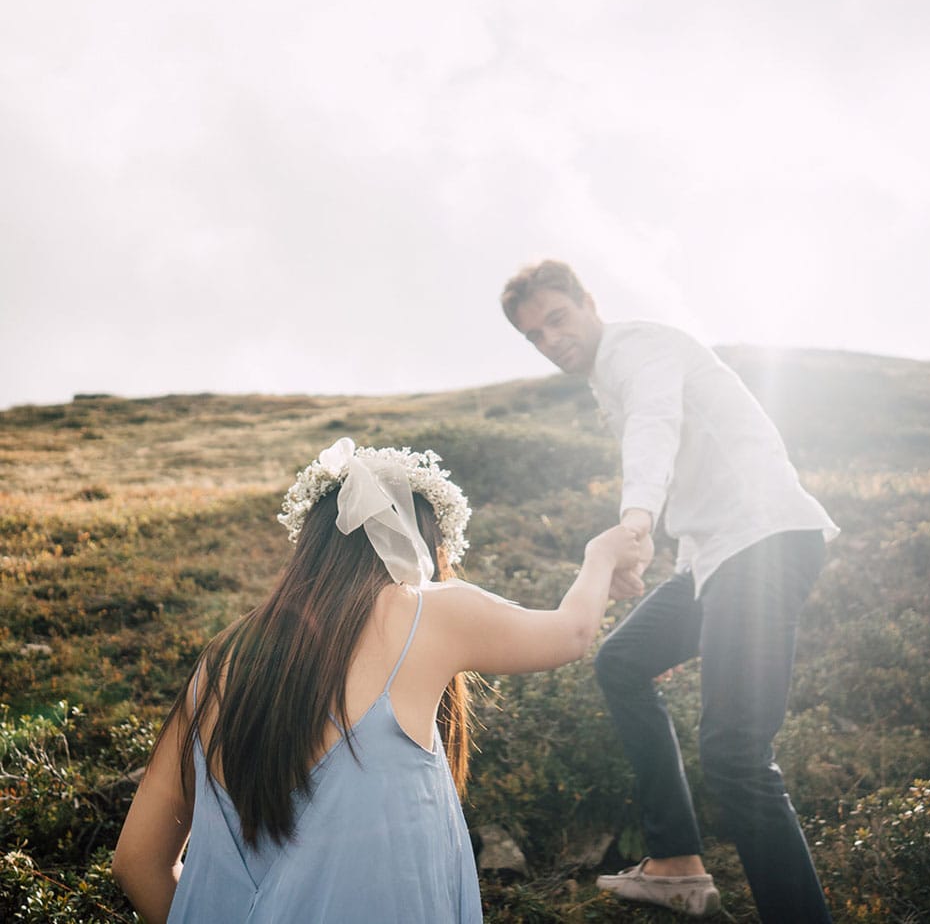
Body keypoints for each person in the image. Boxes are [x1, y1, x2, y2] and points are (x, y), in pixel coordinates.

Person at [113, 436, 640, 924]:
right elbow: (571, 634)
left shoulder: (221, 658)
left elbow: (136, 861)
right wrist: (602, 557)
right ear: (425, 546)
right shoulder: (423, 611)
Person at [501, 260, 839, 922]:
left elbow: (655, 425)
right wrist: (670, 562)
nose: (551, 340)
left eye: (557, 319)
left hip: (764, 546)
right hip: (717, 559)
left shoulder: (638, 349)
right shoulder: (607, 376)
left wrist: (635, 521)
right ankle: (678, 862)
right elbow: (698, 475)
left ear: (588, 303)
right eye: (535, 335)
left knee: (736, 756)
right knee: (622, 660)